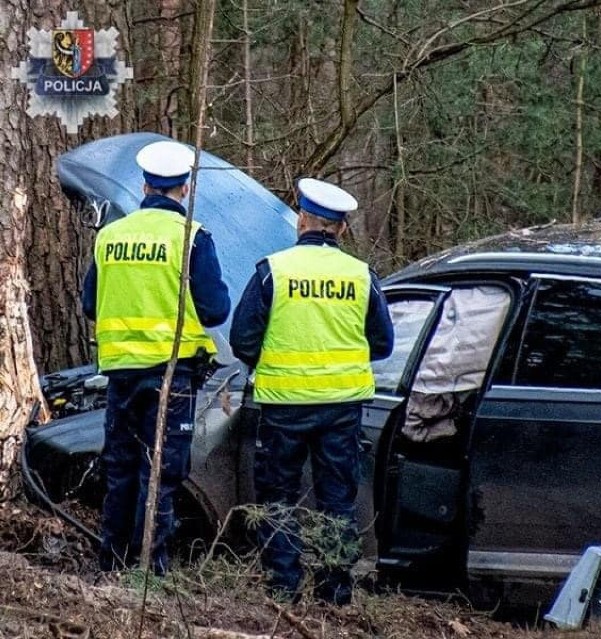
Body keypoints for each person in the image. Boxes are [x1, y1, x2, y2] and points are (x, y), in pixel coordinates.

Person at [229, 178, 394, 605]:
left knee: (278, 498)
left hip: (284, 407)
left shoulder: (273, 271)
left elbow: (243, 340)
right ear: (339, 229)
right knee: (337, 500)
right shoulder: (361, 276)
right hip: (341, 407)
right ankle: (335, 592)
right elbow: (383, 343)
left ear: (301, 219)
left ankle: (283, 589)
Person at [81, 139, 230, 575]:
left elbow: (90, 304)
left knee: (121, 469)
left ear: (144, 185)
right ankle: (151, 571)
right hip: (172, 374)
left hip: (121, 375)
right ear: (184, 187)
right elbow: (216, 309)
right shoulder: (192, 238)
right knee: (161, 473)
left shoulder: (110, 236)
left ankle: (110, 565)